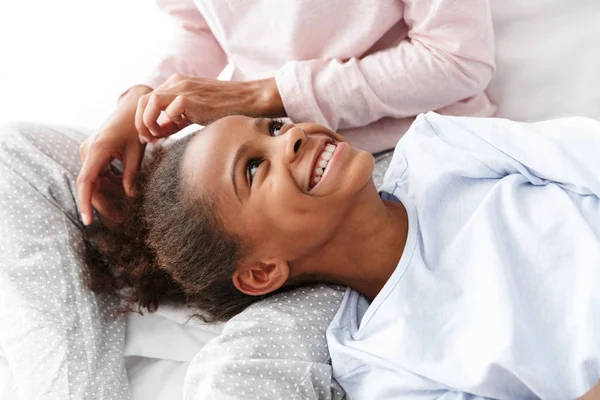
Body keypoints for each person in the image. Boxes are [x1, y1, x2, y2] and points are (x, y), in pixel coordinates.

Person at [85, 111, 600, 399]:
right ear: (263, 272)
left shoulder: (440, 149)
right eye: (252, 170)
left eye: (272, 126)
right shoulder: (377, 365)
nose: (289, 140)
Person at [76, 0, 496, 227]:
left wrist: (269, 94)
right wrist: (143, 96)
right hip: (276, 168)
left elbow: (458, 60)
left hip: (417, 145)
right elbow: (200, 26)